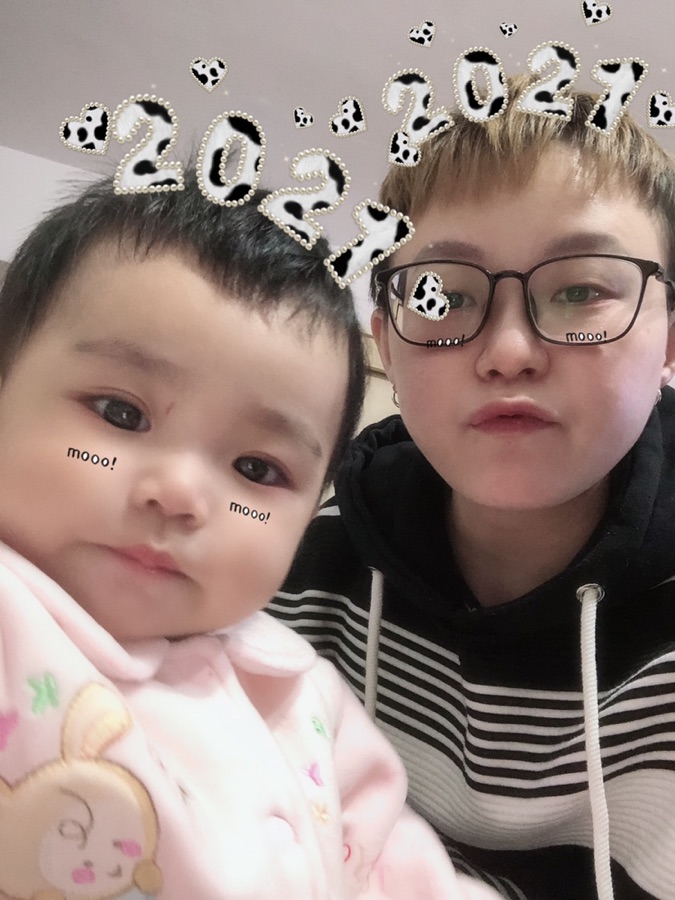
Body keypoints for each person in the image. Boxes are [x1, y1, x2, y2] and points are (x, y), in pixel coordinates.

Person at [0, 172, 500, 899]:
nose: (180, 493)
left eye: (257, 469)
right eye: (120, 413)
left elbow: (395, 869)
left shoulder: (300, 693)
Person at [271, 74, 675, 900]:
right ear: (386, 341)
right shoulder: (297, 563)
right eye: (441, 295)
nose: (508, 352)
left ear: (668, 339)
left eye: (580, 289)